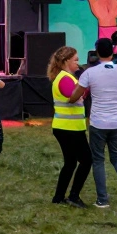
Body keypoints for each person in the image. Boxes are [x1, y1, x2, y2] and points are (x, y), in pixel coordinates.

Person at [68, 38, 117, 211]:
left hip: (98, 122)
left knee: (98, 160)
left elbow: (75, 95)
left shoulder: (90, 73)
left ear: (96, 53)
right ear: (113, 52)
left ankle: (102, 199)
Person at [49, 47, 90, 207]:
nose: (78, 63)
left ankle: (58, 197)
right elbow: (73, 96)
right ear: (66, 61)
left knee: (71, 162)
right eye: (75, 60)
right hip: (69, 128)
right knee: (86, 160)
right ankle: (73, 196)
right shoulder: (65, 79)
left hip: (66, 126)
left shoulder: (65, 77)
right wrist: (86, 86)